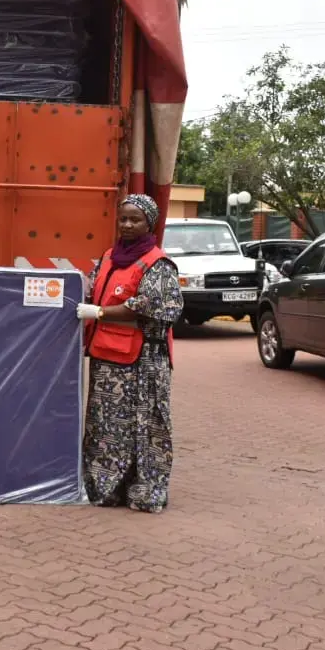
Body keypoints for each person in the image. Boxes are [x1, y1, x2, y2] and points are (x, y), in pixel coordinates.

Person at [76, 194, 183, 513]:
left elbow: (155, 307)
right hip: (108, 361)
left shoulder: (158, 263)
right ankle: (105, 489)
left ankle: (144, 492)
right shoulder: (109, 257)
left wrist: (101, 312)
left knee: (144, 425)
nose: (126, 224)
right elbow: (93, 289)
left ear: (149, 223)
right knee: (106, 426)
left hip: (144, 362)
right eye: (123, 218)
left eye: (134, 219)